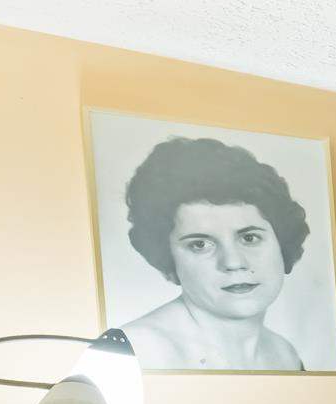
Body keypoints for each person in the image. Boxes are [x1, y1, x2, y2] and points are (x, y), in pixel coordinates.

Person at [116, 136, 314, 370]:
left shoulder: (285, 355)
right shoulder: (137, 351)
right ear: (168, 260)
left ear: (282, 243)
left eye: (249, 238)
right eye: (200, 245)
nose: (233, 262)